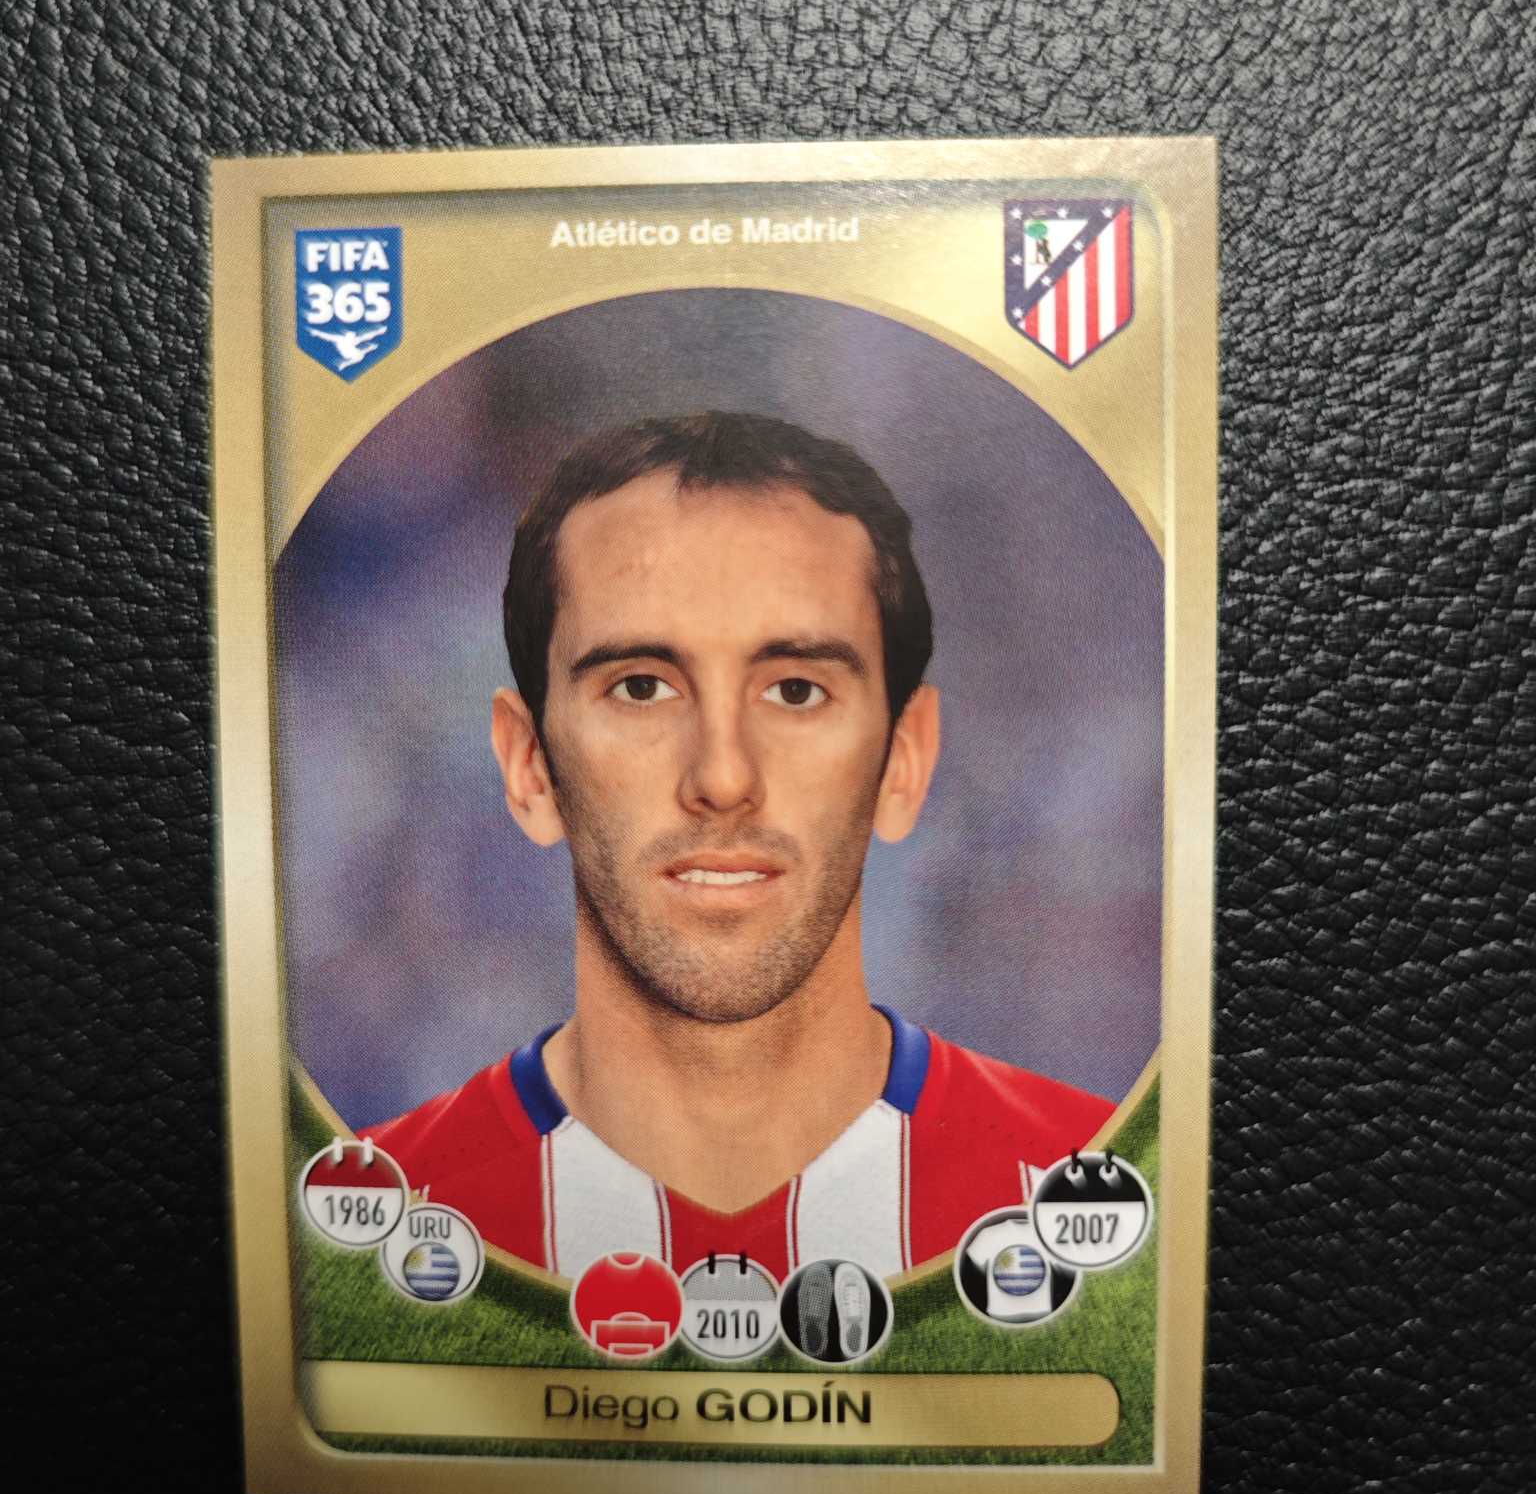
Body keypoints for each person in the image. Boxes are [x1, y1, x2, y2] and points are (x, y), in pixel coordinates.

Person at [372, 411, 1113, 1280]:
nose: (723, 777)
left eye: (796, 690)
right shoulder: (374, 1221)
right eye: (641, 687)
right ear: (528, 766)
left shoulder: (1104, 1197)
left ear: (904, 761)